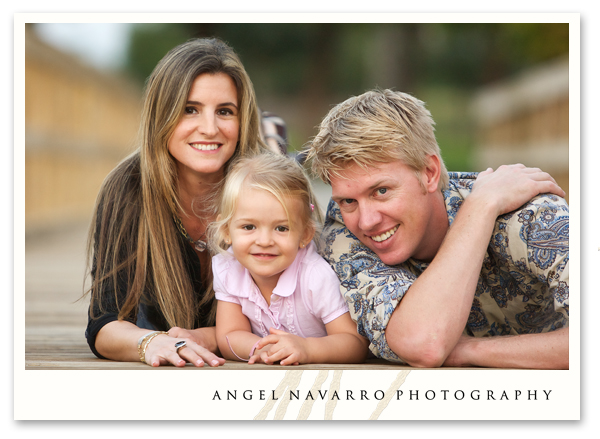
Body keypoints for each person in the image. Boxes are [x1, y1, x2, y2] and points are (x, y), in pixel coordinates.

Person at [306, 89, 569, 369]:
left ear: (429, 173)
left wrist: (470, 351)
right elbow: (423, 343)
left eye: (381, 191)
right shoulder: (343, 233)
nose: (367, 221)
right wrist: (479, 210)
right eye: (349, 200)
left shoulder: (531, 215)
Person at [84, 38, 276, 367]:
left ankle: (271, 136)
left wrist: (209, 336)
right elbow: (104, 323)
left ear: (241, 120)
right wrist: (150, 341)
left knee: (276, 160)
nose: (210, 128)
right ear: (163, 114)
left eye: (225, 112)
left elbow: (293, 316)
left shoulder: (267, 190)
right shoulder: (128, 188)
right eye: (190, 109)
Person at [207, 153, 369, 365]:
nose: (264, 241)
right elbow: (230, 333)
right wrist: (260, 349)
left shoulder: (315, 277)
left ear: (304, 235)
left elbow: (354, 343)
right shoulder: (228, 270)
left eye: (281, 228)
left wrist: (308, 349)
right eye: (249, 227)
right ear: (227, 230)